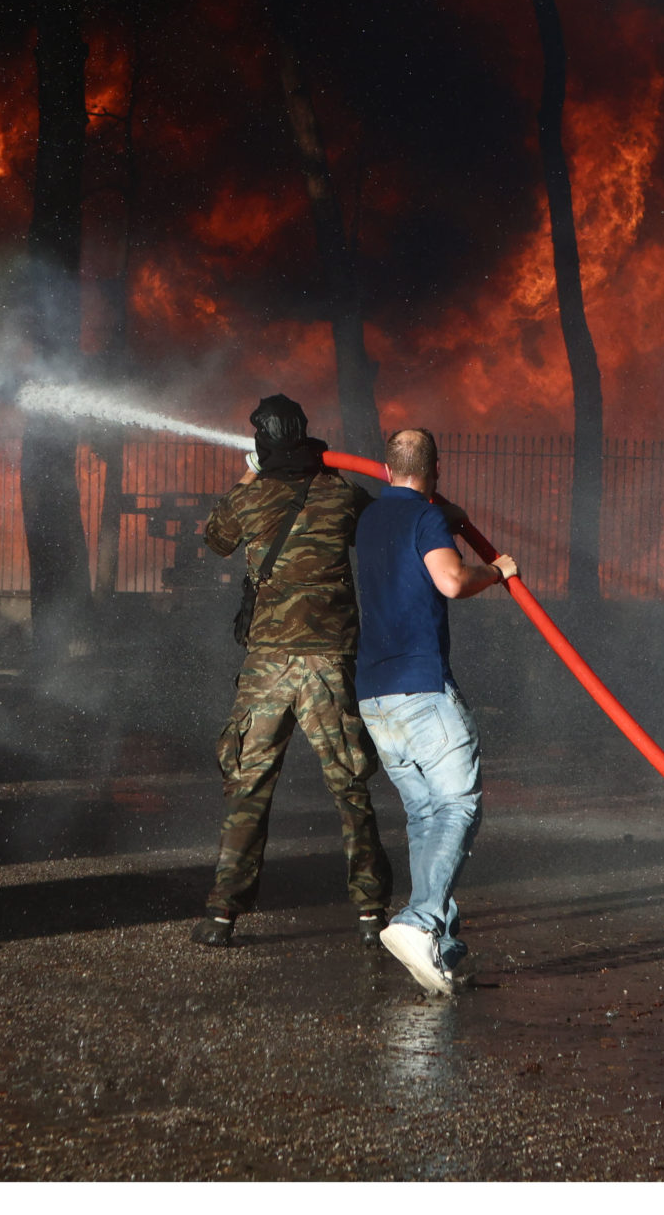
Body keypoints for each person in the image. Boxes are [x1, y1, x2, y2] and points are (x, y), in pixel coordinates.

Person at [190, 394, 393, 947]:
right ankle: (373, 912)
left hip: (268, 669)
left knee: (248, 784)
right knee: (350, 786)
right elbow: (375, 527)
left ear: (260, 443)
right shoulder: (343, 494)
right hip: (329, 662)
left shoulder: (248, 500)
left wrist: (249, 481)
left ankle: (222, 913)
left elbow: (215, 538)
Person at [353, 427, 516, 996]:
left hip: (373, 695)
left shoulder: (371, 518)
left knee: (425, 813)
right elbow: (450, 580)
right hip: (421, 687)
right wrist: (497, 571)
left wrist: (444, 514)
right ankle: (419, 921)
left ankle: (439, 940)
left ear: (387, 467)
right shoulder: (424, 521)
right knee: (459, 805)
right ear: (436, 468)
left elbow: (413, 524)